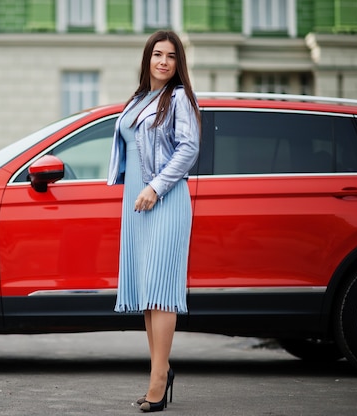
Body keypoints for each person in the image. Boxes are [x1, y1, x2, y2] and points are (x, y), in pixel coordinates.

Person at [107, 30, 200, 413]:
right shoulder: (139, 99)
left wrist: (156, 188)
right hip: (137, 204)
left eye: (171, 56)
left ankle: (158, 380)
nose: (163, 61)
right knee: (148, 293)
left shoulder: (178, 98)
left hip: (164, 201)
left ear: (179, 64)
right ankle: (160, 369)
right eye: (157, 54)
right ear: (147, 59)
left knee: (161, 291)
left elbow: (189, 148)